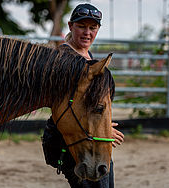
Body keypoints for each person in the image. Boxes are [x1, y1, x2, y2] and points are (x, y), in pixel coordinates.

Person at [42, 3, 124, 188]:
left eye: (92, 28)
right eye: (82, 26)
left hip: (90, 137)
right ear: (71, 26)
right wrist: (100, 129)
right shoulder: (64, 59)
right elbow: (69, 107)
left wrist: (101, 126)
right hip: (73, 140)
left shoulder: (87, 56)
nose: (87, 32)